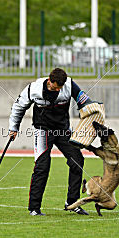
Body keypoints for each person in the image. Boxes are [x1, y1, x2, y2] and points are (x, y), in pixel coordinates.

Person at [8, 68, 96, 216]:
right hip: (42, 130)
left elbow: (84, 101)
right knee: (42, 166)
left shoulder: (69, 85)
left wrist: (93, 110)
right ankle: (34, 208)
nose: (58, 90)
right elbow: (18, 107)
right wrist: (13, 128)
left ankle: (72, 203)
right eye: (55, 87)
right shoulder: (33, 88)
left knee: (77, 160)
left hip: (63, 130)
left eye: (60, 88)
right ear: (49, 81)